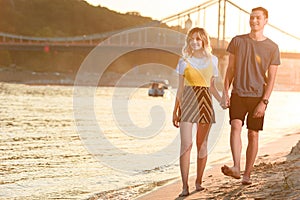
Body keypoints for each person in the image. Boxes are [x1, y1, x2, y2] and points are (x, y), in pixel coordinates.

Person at [220, 7, 281, 185]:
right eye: (252, 17)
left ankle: (247, 174)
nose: (254, 21)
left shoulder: (272, 47)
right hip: (238, 93)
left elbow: (271, 80)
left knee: (253, 134)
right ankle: (236, 167)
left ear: (265, 21)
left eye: (258, 18)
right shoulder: (237, 41)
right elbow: (230, 69)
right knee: (235, 126)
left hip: (258, 97)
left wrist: (264, 102)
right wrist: (225, 92)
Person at [172, 27, 222, 197]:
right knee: (186, 145)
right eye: (192, 39)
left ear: (204, 41)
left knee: (202, 145)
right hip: (187, 102)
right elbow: (179, 89)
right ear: (188, 41)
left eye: (198, 39)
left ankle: (198, 181)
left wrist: (221, 100)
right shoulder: (183, 61)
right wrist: (175, 110)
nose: (195, 42)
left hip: (205, 102)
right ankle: (185, 186)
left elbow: (212, 87)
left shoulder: (213, 60)